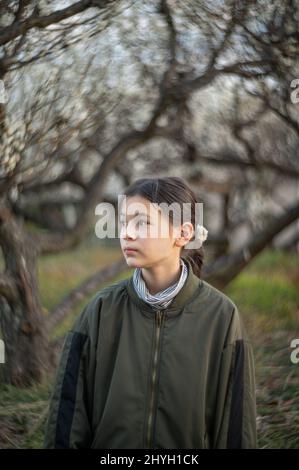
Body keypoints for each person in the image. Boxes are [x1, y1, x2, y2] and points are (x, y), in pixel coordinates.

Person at [43, 176, 257, 449]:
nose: (127, 234)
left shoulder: (222, 317)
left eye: (141, 223)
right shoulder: (100, 311)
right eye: (124, 223)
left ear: (183, 233)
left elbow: (235, 427)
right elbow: (67, 417)